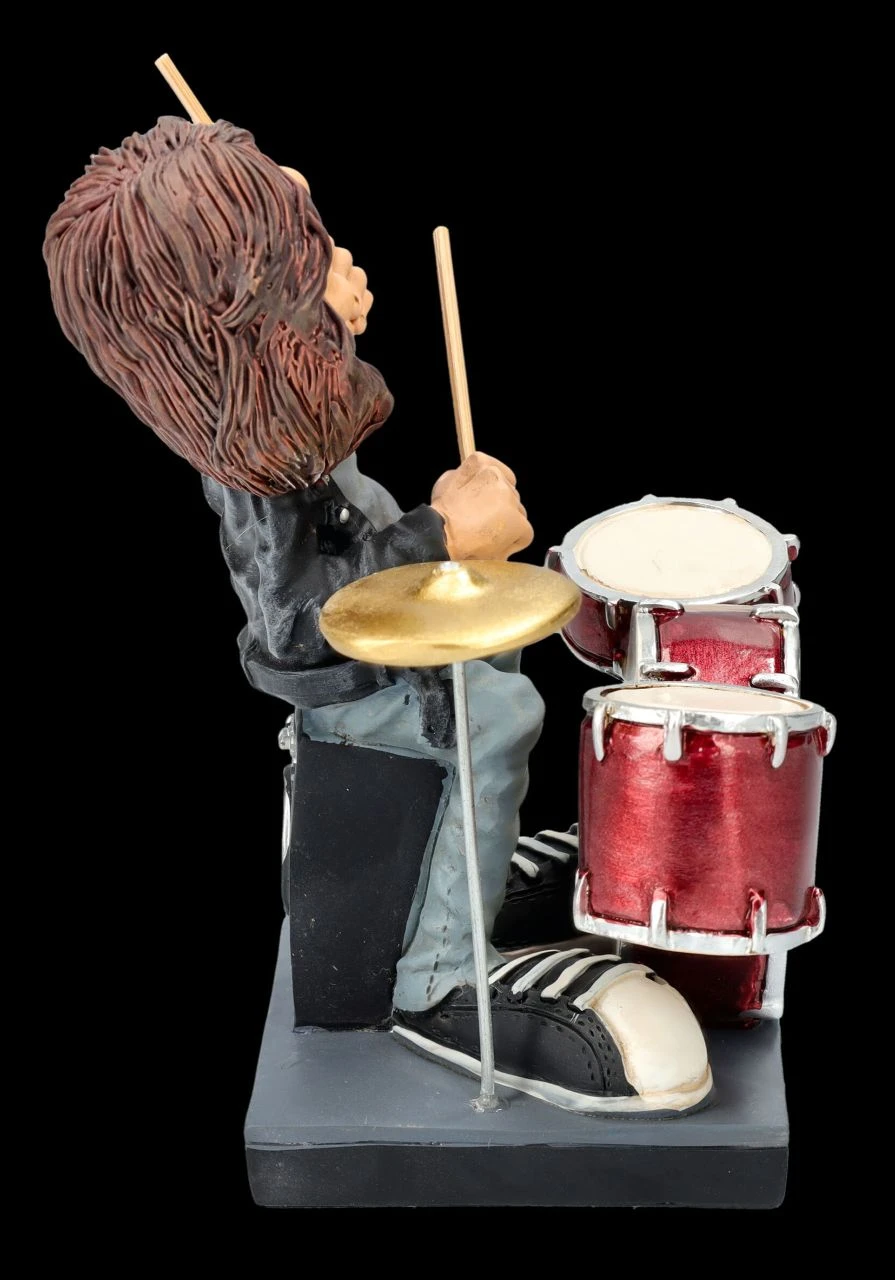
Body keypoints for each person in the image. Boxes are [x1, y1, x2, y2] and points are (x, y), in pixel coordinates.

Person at [44, 115, 712, 1115]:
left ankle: (475, 869)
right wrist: (444, 535)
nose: (347, 265)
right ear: (247, 303)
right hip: (363, 694)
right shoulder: (255, 470)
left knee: (495, 683)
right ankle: (436, 979)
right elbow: (296, 624)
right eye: (316, 250)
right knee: (484, 722)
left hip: (389, 661)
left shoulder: (284, 418)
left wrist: (440, 538)